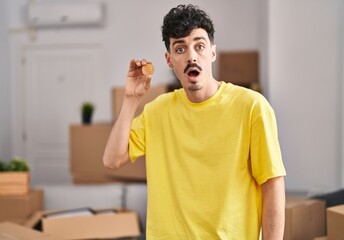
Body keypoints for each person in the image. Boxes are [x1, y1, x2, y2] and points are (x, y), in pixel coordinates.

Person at [103, 4, 286, 240]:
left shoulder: (252, 106)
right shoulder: (157, 110)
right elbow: (112, 159)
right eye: (180, 49)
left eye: (199, 46)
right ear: (169, 60)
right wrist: (130, 99)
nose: (191, 56)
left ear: (212, 52)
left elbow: (272, 184)